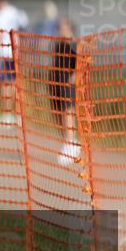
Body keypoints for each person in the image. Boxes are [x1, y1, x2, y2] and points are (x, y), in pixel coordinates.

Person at [0, 0, 28, 125]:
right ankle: (16, 115)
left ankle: (7, 114)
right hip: (16, 51)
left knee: (4, 83)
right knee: (14, 83)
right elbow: (24, 27)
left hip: (4, 52)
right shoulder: (17, 12)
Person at [50, 17, 80, 165]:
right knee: (57, 112)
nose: (59, 29)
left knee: (68, 111)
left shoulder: (75, 44)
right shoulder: (58, 45)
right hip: (56, 81)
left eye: (61, 27)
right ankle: (66, 143)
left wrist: (74, 77)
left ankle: (71, 143)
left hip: (68, 82)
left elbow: (79, 64)